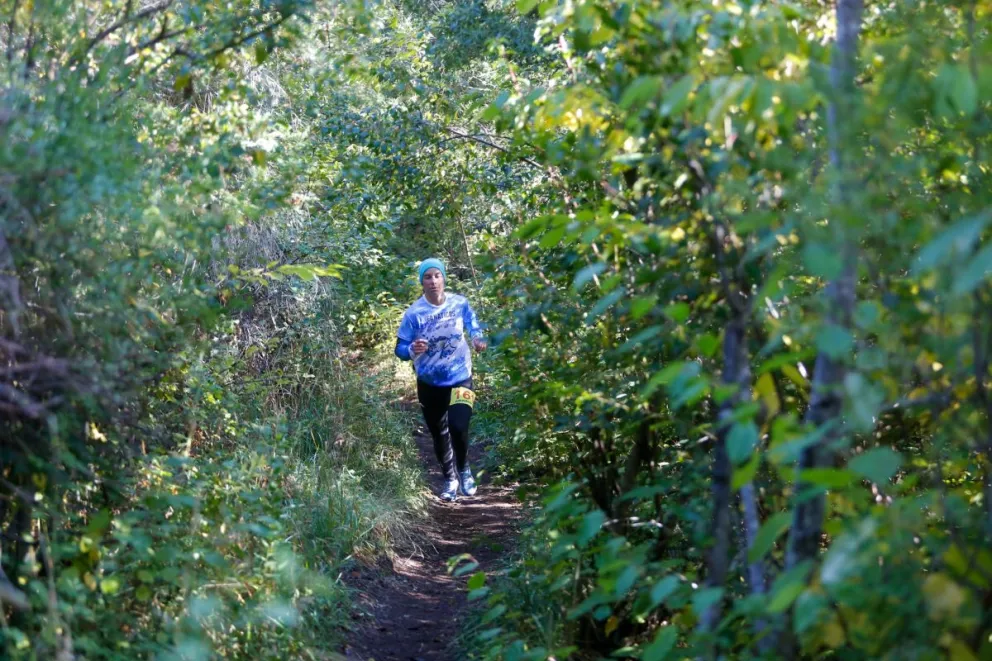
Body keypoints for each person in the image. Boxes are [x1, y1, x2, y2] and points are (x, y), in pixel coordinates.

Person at [395, 258, 487, 502]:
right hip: (429, 383)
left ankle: (464, 470)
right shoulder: (414, 314)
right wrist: (412, 349)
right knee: (439, 433)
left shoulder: (459, 303)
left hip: (461, 378)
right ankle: (449, 479)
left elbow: (474, 326)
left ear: (444, 278)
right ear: (422, 282)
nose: (433, 281)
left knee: (459, 426)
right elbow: (400, 349)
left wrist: (478, 338)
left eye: (437, 275)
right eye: (428, 277)